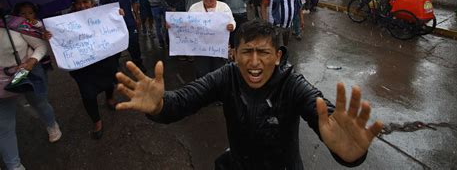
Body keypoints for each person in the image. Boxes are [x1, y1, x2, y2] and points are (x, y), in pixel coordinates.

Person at [115, 19, 383, 169]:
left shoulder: (292, 84)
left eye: (263, 52)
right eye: (247, 52)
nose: (254, 62)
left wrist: (349, 155)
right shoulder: (226, 75)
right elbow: (183, 101)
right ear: (234, 54)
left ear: (278, 56)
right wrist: (159, 106)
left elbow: (324, 116)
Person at [45, 0, 122, 139]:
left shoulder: (103, 14)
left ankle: (109, 98)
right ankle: (97, 121)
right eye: (78, 3)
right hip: (83, 67)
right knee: (88, 94)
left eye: (85, 2)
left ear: (92, 3)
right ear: (73, 5)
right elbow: (59, 38)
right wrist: (48, 35)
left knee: (109, 81)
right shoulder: (65, 20)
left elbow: (114, 28)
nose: (82, 6)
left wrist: (118, 16)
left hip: (105, 61)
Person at [1, 6, 62, 170]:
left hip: (25, 74)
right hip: (1, 82)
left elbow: (41, 45)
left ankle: (51, 124)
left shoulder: (16, 23)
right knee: (4, 125)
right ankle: (14, 165)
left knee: (39, 103)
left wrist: (32, 61)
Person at [184, 0, 236, 78]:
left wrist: (231, 25)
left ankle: (218, 90)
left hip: (219, 48)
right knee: (202, 72)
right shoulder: (194, 8)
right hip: (201, 49)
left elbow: (232, 21)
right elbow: (186, 24)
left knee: (219, 71)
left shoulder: (224, 7)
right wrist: (173, 24)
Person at [100, 0, 145, 70]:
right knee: (116, 46)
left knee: (134, 44)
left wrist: (137, 17)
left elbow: (134, 2)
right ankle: (114, 68)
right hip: (114, 23)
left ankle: (138, 64)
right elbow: (102, 6)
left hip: (129, 21)